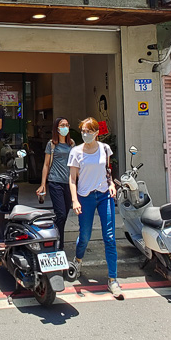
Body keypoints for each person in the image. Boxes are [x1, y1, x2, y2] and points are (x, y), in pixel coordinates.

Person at [68, 117, 122, 299]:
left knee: (110, 237)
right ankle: (78, 259)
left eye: (88, 131)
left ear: (96, 133)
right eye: (83, 131)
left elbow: (107, 170)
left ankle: (113, 280)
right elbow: (72, 179)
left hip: (104, 195)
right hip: (85, 197)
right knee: (85, 235)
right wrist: (75, 200)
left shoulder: (105, 149)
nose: (85, 134)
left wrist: (111, 184)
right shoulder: (76, 152)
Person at [35, 117, 74, 251]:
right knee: (61, 214)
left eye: (67, 125)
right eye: (62, 125)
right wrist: (43, 184)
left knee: (64, 215)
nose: (65, 127)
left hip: (69, 183)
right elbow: (46, 165)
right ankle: (59, 244)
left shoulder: (72, 144)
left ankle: (56, 238)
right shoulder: (51, 144)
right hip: (55, 181)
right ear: (56, 128)